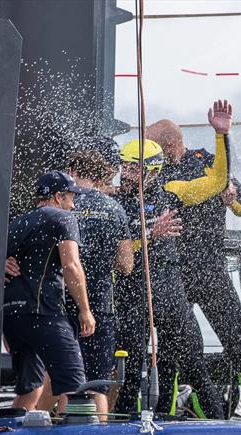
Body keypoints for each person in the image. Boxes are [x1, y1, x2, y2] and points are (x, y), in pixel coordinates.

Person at [114, 99, 232, 419]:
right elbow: (120, 257)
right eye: (124, 165)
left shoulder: (172, 190)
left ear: (153, 170)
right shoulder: (114, 205)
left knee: (193, 363)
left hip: (170, 290)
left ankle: (220, 427)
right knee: (132, 370)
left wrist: (221, 136)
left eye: (134, 167)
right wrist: (150, 236)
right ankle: (123, 430)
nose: (126, 173)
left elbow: (218, 181)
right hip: (133, 292)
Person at [147, 119, 241, 410]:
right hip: (175, 277)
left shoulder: (209, 163)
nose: (149, 154)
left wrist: (231, 199)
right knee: (172, 353)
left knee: (239, 346)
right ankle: (167, 412)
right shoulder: (154, 173)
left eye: (154, 148)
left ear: (171, 145)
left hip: (211, 271)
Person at [3, 170, 95, 411]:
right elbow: (71, 266)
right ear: (57, 196)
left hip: (12, 318)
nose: (73, 206)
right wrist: (85, 310)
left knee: (30, 387)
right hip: (45, 313)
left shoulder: (17, 223)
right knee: (74, 384)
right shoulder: (62, 219)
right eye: (71, 198)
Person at [64, 148, 134, 417]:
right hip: (101, 306)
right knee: (98, 384)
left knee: (65, 382)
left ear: (72, 173)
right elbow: (126, 266)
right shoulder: (114, 208)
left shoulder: (63, 204)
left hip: (61, 303)